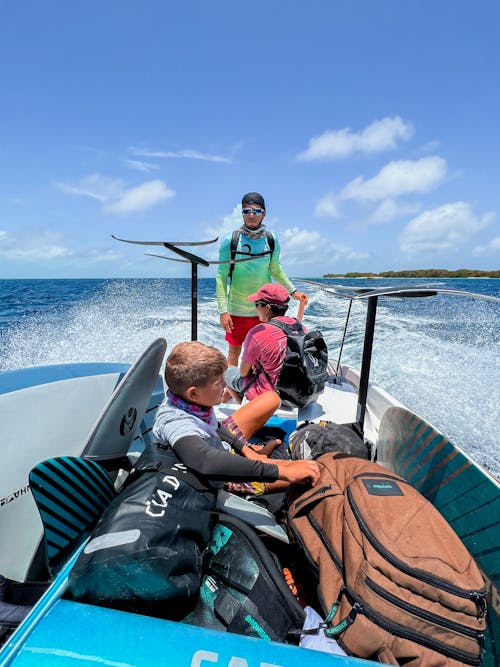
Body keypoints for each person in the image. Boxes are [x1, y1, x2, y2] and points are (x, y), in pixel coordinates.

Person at [152, 341, 319, 495]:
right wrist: (282, 472)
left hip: (217, 444)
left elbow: (214, 426)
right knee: (311, 476)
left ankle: (255, 455)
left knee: (271, 399)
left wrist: (246, 450)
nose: (225, 386)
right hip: (220, 475)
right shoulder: (175, 423)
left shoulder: (187, 401)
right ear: (194, 393)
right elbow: (205, 461)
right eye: (219, 383)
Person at [216, 192, 308, 366]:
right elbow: (221, 277)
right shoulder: (231, 240)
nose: (251, 215)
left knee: (260, 358)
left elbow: (276, 269)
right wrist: (223, 311)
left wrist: (293, 291)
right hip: (236, 311)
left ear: (264, 213)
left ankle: (256, 392)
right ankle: (232, 392)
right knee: (234, 357)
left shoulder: (271, 240)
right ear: (242, 212)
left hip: (264, 311)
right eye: (247, 211)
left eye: (256, 211)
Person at [224, 283, 299, 403]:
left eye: (257, 304)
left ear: (267, 308)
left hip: (271, 395)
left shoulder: (257, 333)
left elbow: (243, 373)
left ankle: (244, 407)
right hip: (297, 390)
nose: (256, 308)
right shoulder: (298, 326)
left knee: (227, 372)